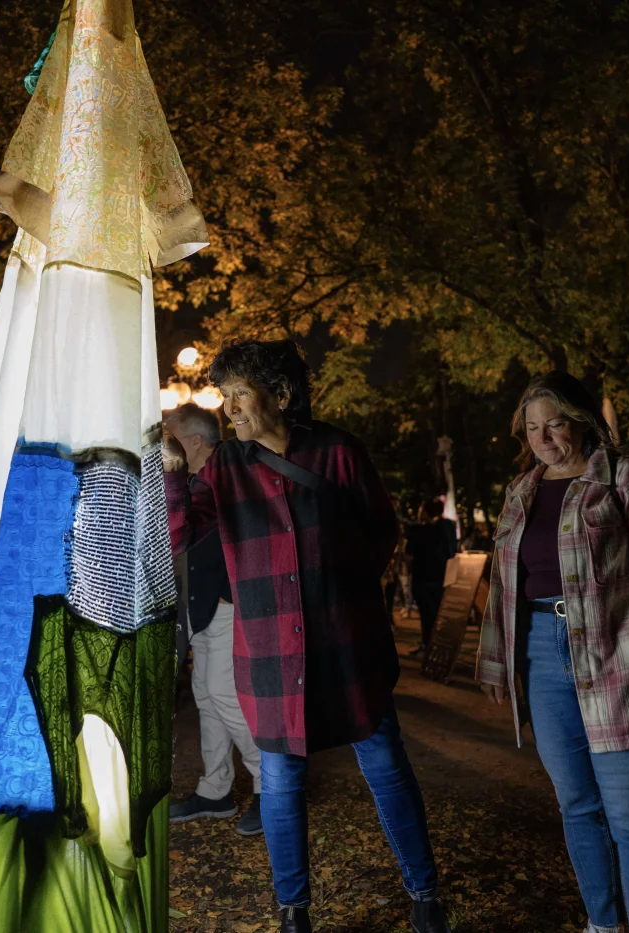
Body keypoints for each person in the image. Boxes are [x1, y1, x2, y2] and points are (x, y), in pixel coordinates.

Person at [164, 340, 452, 933]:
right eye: (225, 395)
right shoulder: (222, 469)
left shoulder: (339, 453)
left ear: (282, 395)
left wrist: (336, 597)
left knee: (386, 767)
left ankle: (424, 893)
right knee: (282, 781)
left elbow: (381, 534)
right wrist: (170, 474)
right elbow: (177, 533)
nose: (231, 408)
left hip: (348, 648)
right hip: (269, 652)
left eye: (241, 393)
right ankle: (293, 910)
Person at [477, 371, 629, 933]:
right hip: (543, 661)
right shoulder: (520, 493)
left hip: (621, 660)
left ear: (584, 421)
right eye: (532, 427)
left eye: (556, 423)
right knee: (577, 806)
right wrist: (498, 660)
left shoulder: (626, 479)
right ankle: (603, 924)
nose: (544, 437)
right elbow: (503, 584)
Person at [165, 402, 264, 837]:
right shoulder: (207, 476)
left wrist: (170, 476)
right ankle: (215, 790)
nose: (163, 444)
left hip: (226, 605)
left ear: (194, 442)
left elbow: (179, 532)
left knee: (225, 694)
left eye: (171, 436)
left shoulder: (222, 473)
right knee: (207, 694)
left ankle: (271, 786)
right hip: (206, 606)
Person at [405, 498, 456, 657]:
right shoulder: (445, 528)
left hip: (421, 578)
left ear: (426, 512)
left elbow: (408, 555)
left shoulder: (416, 530)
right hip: (440, 577)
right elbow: (451, 552)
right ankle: (435, 648)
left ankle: (427, 646)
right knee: (435, 614)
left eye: (421, 509)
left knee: (426, 615)